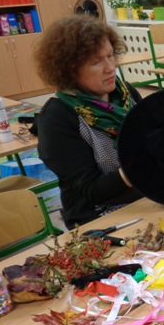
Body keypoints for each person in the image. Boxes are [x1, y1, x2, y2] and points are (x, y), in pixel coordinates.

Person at [34, 15, 143, 229]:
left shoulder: (125, 93)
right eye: (96, 62)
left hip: (144, 196)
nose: (110, 67)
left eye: (110, 55)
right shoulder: (57, 118)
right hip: (97, 216)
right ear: (70, 70)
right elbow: (91, 190)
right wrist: (144, 164)